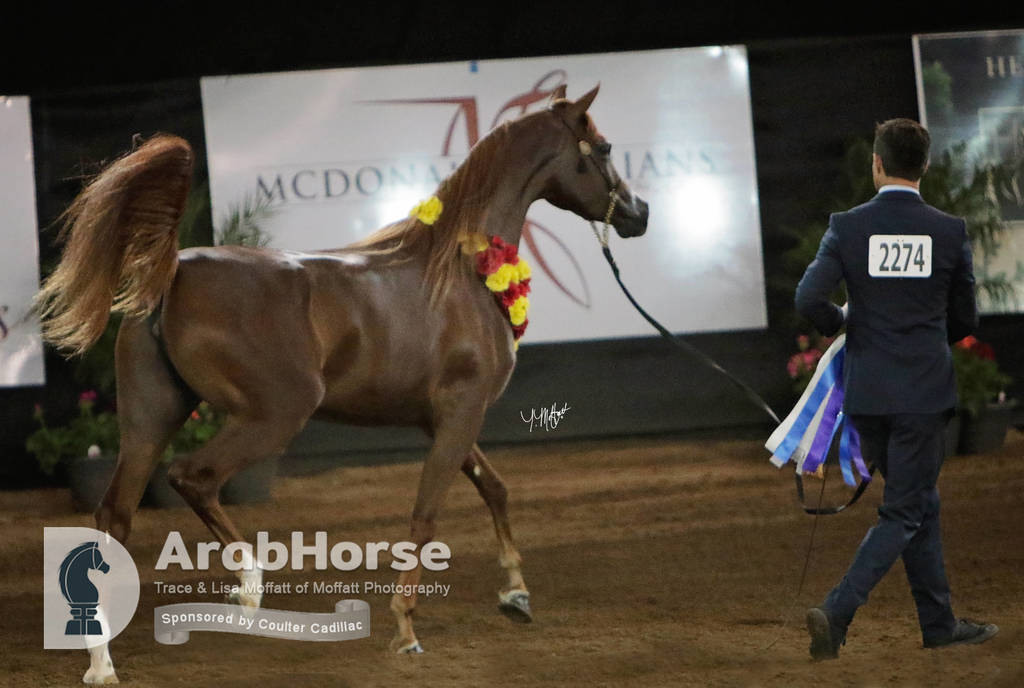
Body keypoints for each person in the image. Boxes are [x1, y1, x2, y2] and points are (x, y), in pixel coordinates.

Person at [794, 118, 998, 660]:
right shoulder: (950, 231)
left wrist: (844, 323)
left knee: (916, 501)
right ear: (924, 166)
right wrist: (926, 339)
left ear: (877, 164)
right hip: (923, 395)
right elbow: (965, 317)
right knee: (905, 510)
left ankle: (939, 624)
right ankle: (835, 613)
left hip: (868, 397)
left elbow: (808, 298)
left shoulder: (847, 225)